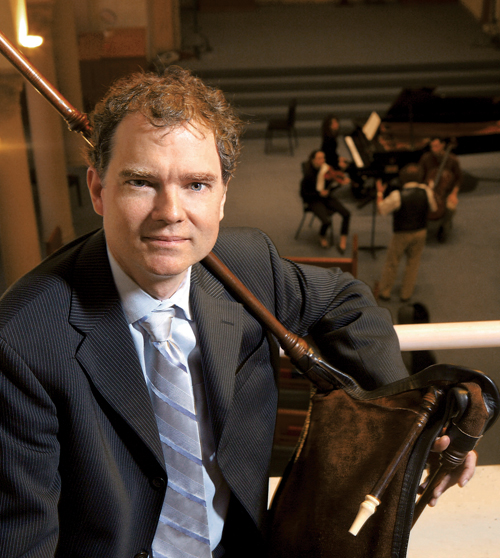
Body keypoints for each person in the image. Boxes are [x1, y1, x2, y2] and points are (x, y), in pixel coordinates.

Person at [0, 67, 475, 558]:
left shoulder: (247, 264)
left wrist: (407, 413)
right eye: (141, 182)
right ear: (98, 190)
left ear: (224, 194)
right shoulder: (22, 342)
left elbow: (345, 303)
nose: (171, 211)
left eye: (196, 185)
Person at [376, 163, 437, 302]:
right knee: (413, 263)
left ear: (403, 178)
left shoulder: (397, 195)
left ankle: (385, 292)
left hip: (401, 234)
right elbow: (433, 208)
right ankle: (406, 294)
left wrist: (379, 193)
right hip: (421, 231)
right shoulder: (426, 191)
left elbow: (381, 209)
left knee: (393, 262)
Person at [300, 149, 351, 251]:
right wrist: (318, 194)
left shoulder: (326, 170)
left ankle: (343, 239)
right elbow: (303, 194)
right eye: (319, 158)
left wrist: (339, 184)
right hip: (313, 200)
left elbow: (330, 186)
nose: (322, 161)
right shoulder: (308, 175)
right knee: (327, 221)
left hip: (326, 198)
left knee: (347, 214)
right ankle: (322, 236)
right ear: (313, 160)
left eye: (323, 158)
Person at [419, 137, 461, 242]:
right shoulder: (425, 158)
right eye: (432, 146)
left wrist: (454, 194)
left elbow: (458, 179)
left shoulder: (452, 160)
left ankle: (443, 227)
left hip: (445, 193)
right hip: (427, 191)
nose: (434, 149)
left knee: (451, 208)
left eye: (436, 146)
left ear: (443, 145)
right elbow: (420, 176)